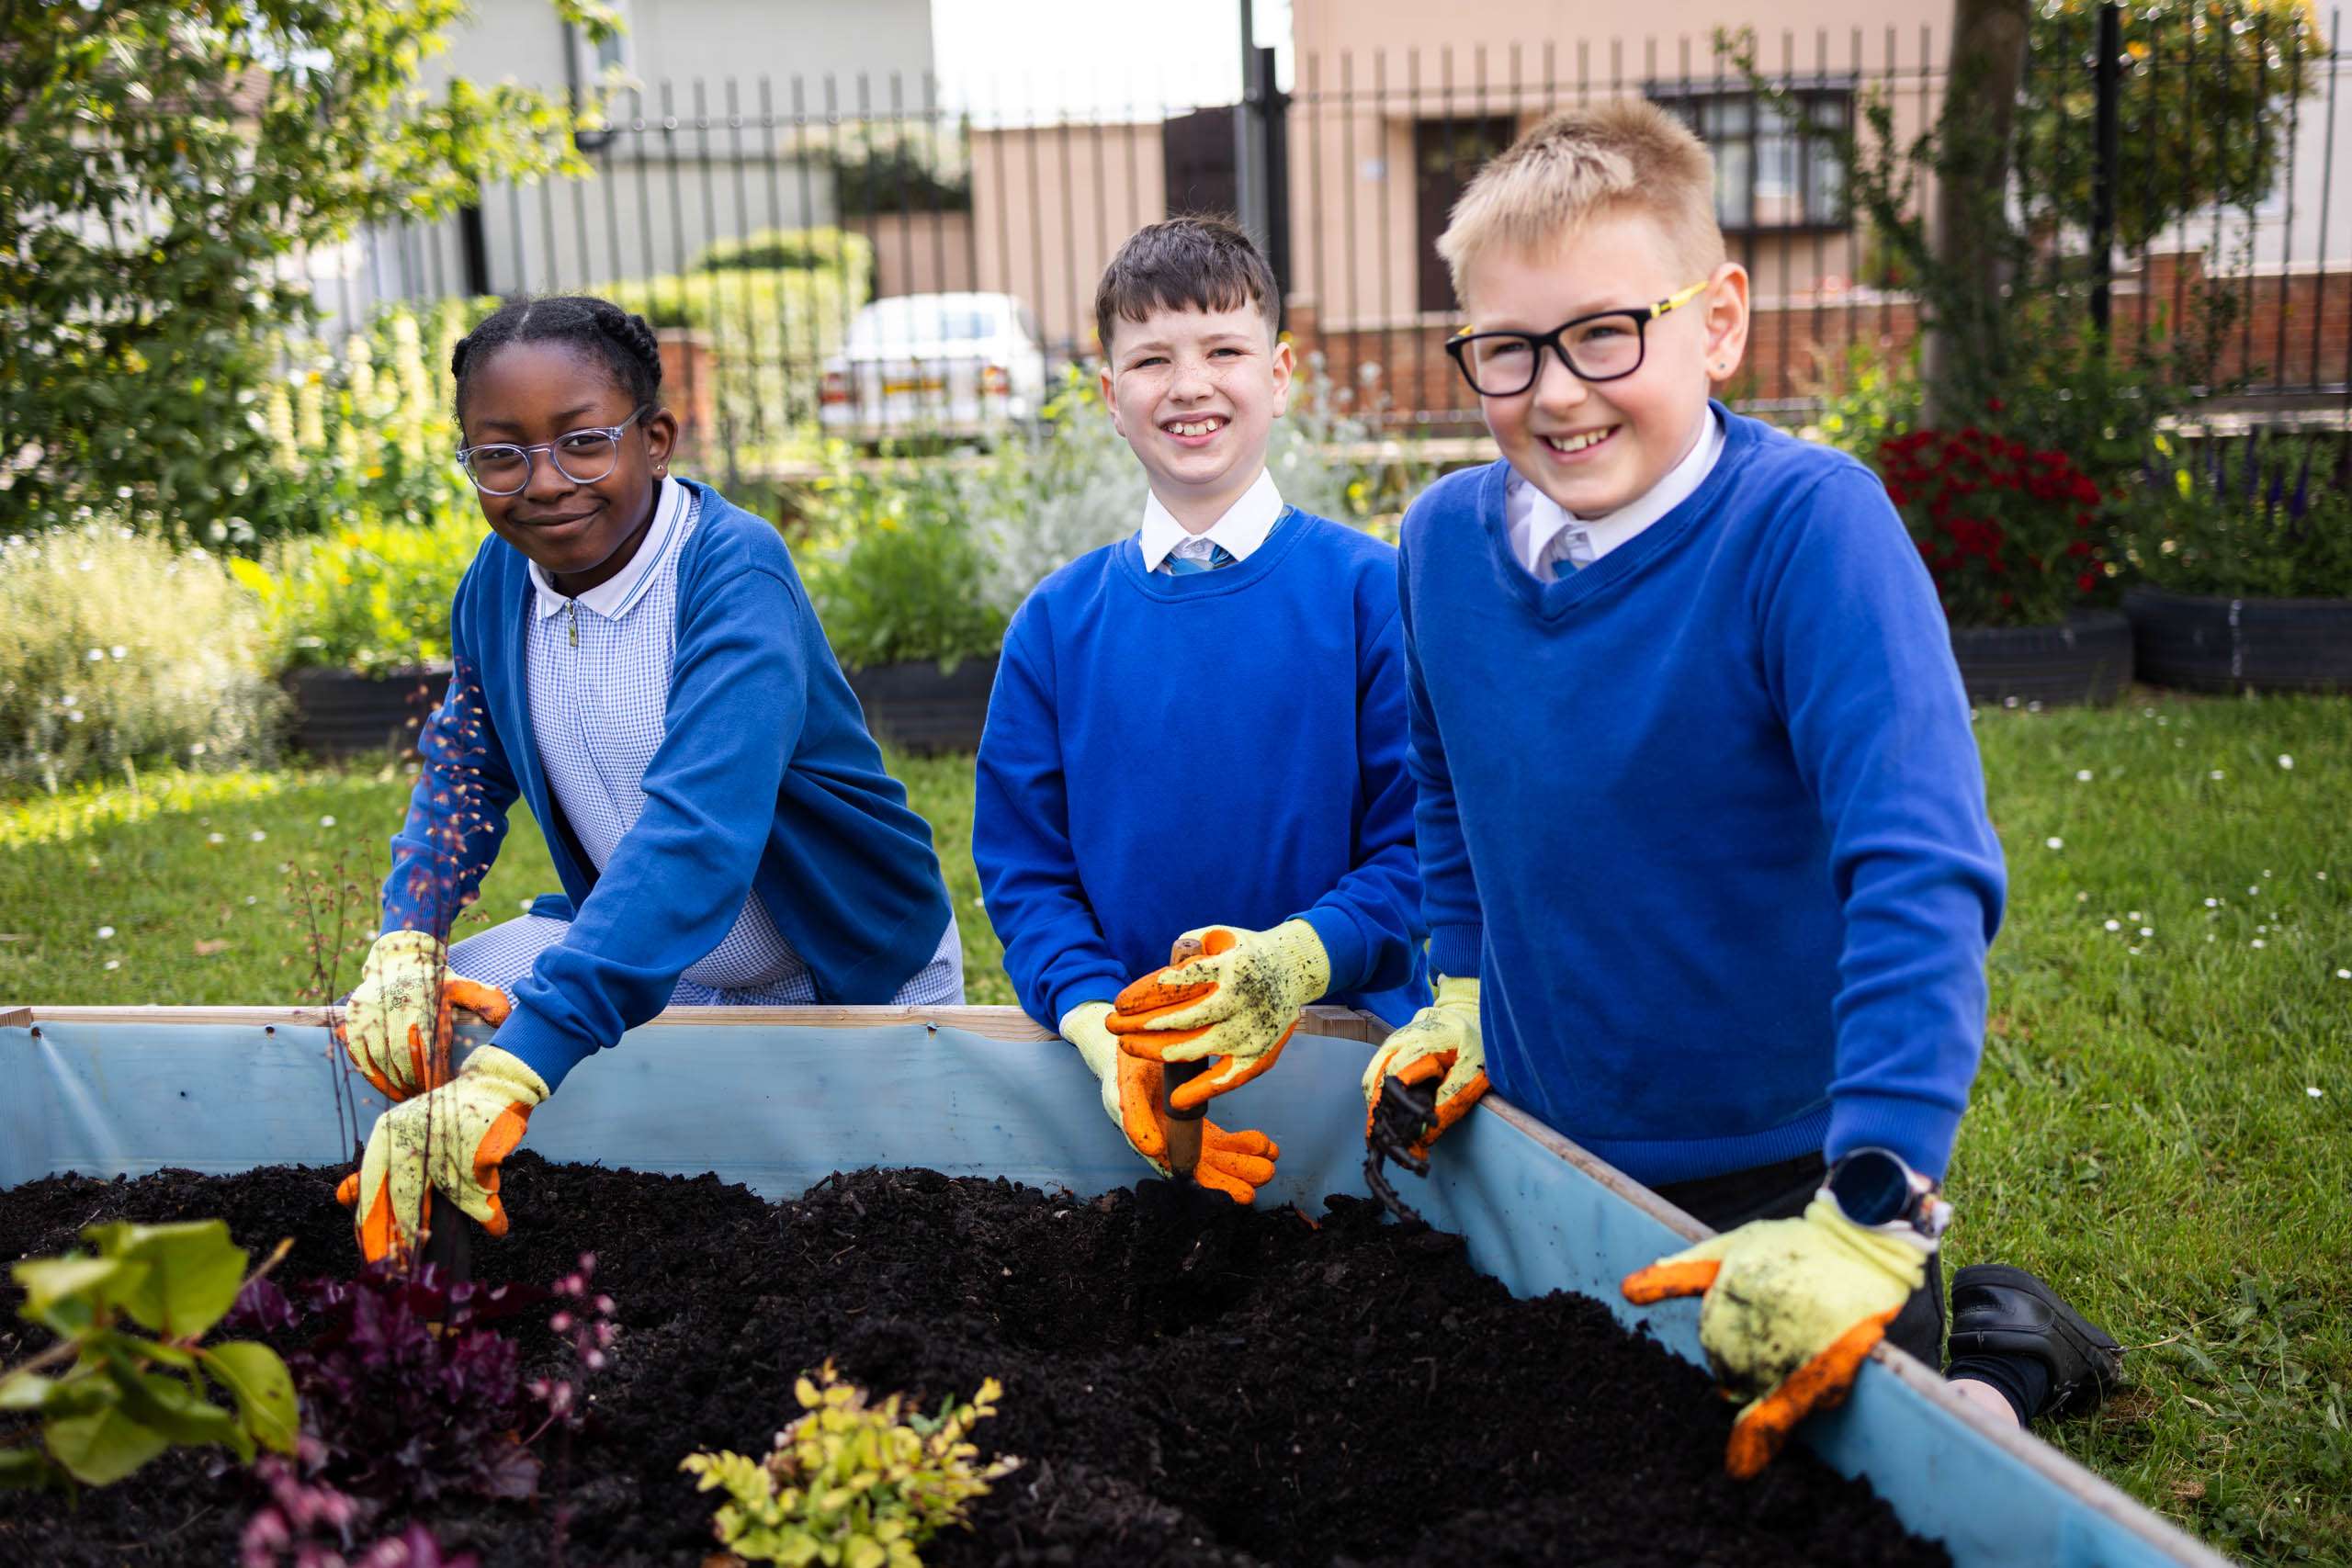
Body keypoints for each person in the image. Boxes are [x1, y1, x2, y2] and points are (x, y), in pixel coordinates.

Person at [1364, 103, 2121, 1476]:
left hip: (1786, 1164)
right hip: (1547, 1146)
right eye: (1507, 348)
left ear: (1717, 322)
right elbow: (1447, 794)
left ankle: (2004, 1357)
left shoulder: (1811, 531)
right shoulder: (1437, 545)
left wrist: (1871, 1200)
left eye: (1607, 332)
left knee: (1849, 1488)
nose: (1555, 391)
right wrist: (1464, 992)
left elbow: (1918, 867)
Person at [336, 294, 961, 1265]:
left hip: (849, 977)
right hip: (652, 969)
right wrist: (407, 938)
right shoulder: (496, 588)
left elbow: (696, 840)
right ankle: (440, 1295)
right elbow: (463, 772)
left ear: (656, 439)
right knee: (415, 1024)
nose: (543, 483)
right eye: (501, 454)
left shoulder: (729, 573)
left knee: (844, 1249)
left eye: (583, 442)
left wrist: (519, 1066)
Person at [974, 216, 1430, 1205]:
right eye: (1150, 360)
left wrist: (1296, 961)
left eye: (1224, 349)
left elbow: (1425, 848)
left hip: (1347, 1081)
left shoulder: (1372, 594)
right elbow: (1025, 874)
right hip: (1135, 1102)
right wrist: (1101, 1033)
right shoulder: (1054, 626)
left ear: (1280, 374)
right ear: (1108, 395)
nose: (1189, 385)